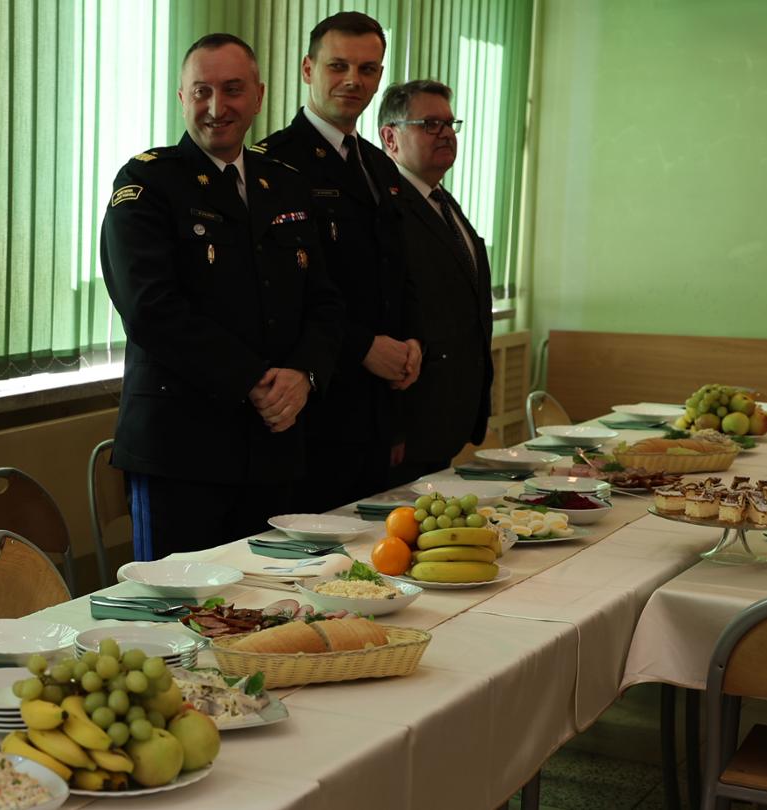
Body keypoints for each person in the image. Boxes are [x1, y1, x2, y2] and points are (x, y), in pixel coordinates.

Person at [100, 33, 342, 561]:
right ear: (182, 98)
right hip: (180, 454)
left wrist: (305, 374)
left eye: (232, 90)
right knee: (174, 620)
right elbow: (150, 310)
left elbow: (324, 302)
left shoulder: (286, 184)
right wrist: (255, 380)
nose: (217, 107)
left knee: (270, 610)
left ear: (257, 95)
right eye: (202, 91)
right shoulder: (146, 182)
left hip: (276, 446)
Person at [258, 11, 419, 513]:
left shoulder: (377, 164)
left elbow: (395, 270)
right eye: (338, 66)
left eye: (368, 69)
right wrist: (362, 346)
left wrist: (411, 343)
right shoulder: (272, 164)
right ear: (308, 69)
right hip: (318, 405)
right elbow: (283, 290)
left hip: (377, 404)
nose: (353, 80)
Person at [377, 79, 493, 482]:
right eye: (429, 123)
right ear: (390, 137)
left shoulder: (443, 201)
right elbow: (387, 317)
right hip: (408, 423)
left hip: (447, 421)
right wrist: (394, 427)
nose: (445, 133)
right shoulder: (383, 207)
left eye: (449, 123)